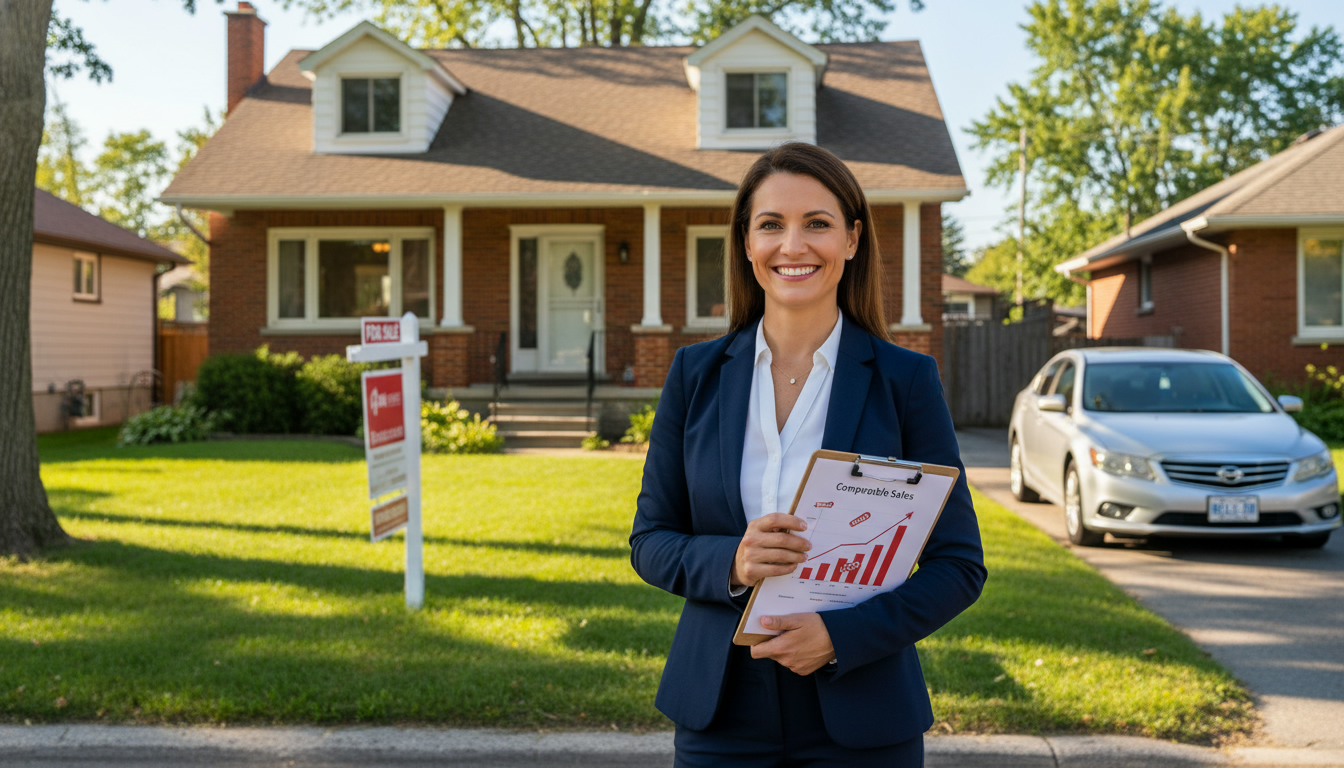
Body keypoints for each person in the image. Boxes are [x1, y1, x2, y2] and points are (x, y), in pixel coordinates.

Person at [629, 143, 987, 767]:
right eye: (771, 225)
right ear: (746, 243)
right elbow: (651, 540)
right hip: (720, 710)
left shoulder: (904, 381)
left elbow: (958, 565)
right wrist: (733, 561)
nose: (792, 246)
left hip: (863, 709)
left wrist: (841, 637)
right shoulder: (695, 373)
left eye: (816, 224)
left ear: (851, 239)